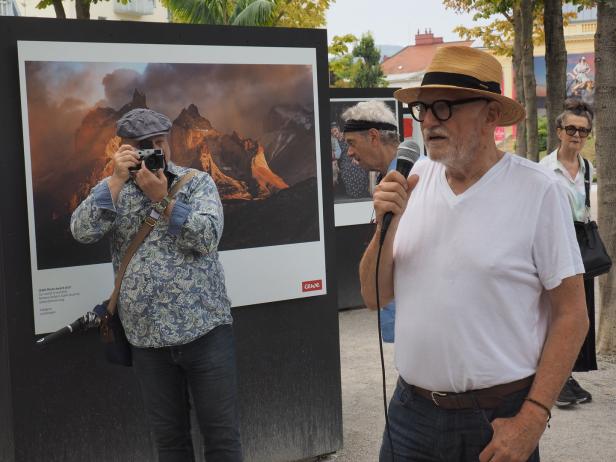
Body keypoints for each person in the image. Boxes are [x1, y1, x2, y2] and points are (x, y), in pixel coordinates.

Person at [359, 46, 589, 462]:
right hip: (409, 415)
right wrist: (384, 227)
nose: (428, 121)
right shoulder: (411, 179)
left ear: (491, 115)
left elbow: (572, 314)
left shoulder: (539, 191)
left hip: (496, 419)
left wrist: (533, 417)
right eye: (423, 110)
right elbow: (375, 296)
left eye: (443, 108)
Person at [71, 108, 242, 462]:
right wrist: (116, 181)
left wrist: (163, 200)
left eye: (157, 144)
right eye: (140, 146)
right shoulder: (113, 191)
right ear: (122, 148)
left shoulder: (196, 183)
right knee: (170, 443)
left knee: (222, 440)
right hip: (148, 342)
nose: (150, 152)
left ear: (169, 141)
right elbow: (82, 231)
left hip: (205, 332)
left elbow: (208, 237)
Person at [540, 98, 597, 408]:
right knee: (556, 314)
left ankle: (567, 377)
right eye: (571, 129)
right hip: (552, 244)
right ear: (559, 131)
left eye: (583, 131)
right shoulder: (544, 170)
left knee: (578, 315)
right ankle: (559, 383)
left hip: (580, 249)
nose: (577, 135)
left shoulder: (588, 167)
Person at [340, 100, 404, 343]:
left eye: (352, 143)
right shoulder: (388, 178)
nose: (349, 152)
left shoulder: (415, 178)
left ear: (374, 137)